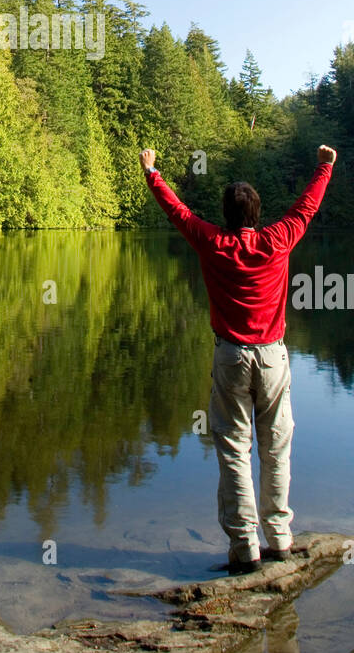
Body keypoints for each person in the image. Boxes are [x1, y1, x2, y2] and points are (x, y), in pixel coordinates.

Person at [139, 144, 337, 574]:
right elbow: (307, 207)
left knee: (233, 449)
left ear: (227, 214)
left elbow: (180, 213)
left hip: (230, 357)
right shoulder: (277, 239)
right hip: (273, 359)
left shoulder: (213, 242)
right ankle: (280, 539)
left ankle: (245, 546)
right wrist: (323, 165)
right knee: (276, 447)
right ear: (257, 214)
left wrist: (152, 172)